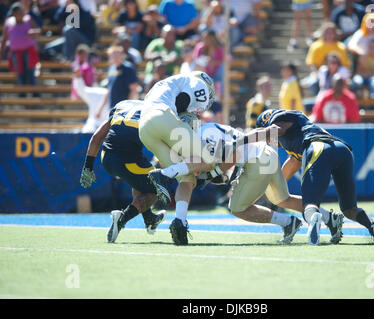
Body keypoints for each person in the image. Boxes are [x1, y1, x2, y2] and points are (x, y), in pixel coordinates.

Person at [253, 109, 374, 245]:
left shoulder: (277, 121)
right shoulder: (295, 135)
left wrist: (247, 138)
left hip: (318, 147)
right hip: (342, 149)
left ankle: (314, 220)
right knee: (349, 209)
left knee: (309, 205)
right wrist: (270, 189)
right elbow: (292, 165)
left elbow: (277, 129)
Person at [196, 122, 345, 245]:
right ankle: (329, 217)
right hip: (267, 153)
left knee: (236, 208)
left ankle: (287, 222)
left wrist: (211, 174)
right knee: (282, 199)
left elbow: (235, 153)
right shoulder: (212, 127)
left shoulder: (203, 136)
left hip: (257, 161)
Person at [139, 71, 216, 245]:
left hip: (144, 129)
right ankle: (164, 174)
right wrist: (190, 122)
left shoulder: (164, 84)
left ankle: (180, 222)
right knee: (209, 160)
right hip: (163, 117)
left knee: (186, 176)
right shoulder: (197, 83)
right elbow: (183, 106)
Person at [80, 100, 166, 243]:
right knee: (158, 186)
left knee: (140, 177)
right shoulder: (154, 112)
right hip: (127, 159)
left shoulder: (122, 105)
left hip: (106, 158)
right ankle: (122, 218)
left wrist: (88, 167)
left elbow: (96, 137)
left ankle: (149, 218)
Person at [0, 2, 40, 89]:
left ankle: (35, 96)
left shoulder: (28, 19)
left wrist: (33, 33)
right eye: (17, 12)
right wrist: (1, 53)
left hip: (29, 52)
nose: (20, 14)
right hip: (15, 54)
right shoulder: (8, 22)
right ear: (13, 13)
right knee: (20, 75)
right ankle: (23, 96)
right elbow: (4, 39)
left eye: (21, 12)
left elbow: (38, 31)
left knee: (31, 74)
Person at [96, 46, 139, 119]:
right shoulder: (111, 68)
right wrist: (100, 109)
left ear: (122, 55)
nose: (115, 57)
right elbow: (108, 90)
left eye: (117, 54)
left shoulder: (128, 68)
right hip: (113, 107)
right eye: (113, 55)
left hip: (124, 108)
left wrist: (128, 107)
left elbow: (134, 89)